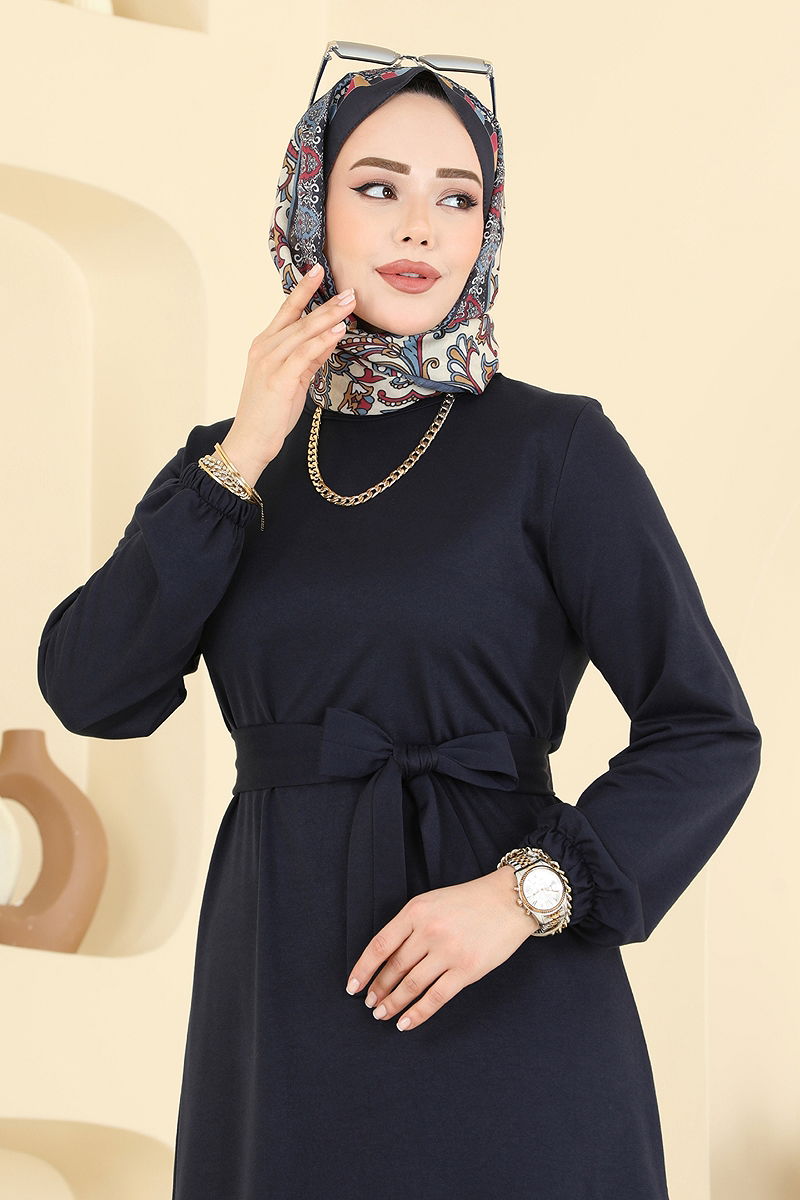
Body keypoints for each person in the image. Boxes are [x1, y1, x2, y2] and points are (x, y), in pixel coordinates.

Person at [37, 59, 762, 1199]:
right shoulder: (229, 467)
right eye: (378, 188)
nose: (420, 225)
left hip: (506, 996)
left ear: (487, 227)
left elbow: (706, 730)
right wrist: (246, 447)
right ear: (308, 208)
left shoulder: (555, 449)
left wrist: (519, 898)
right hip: (280, 1000)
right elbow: (92, 689)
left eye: (456, 196)